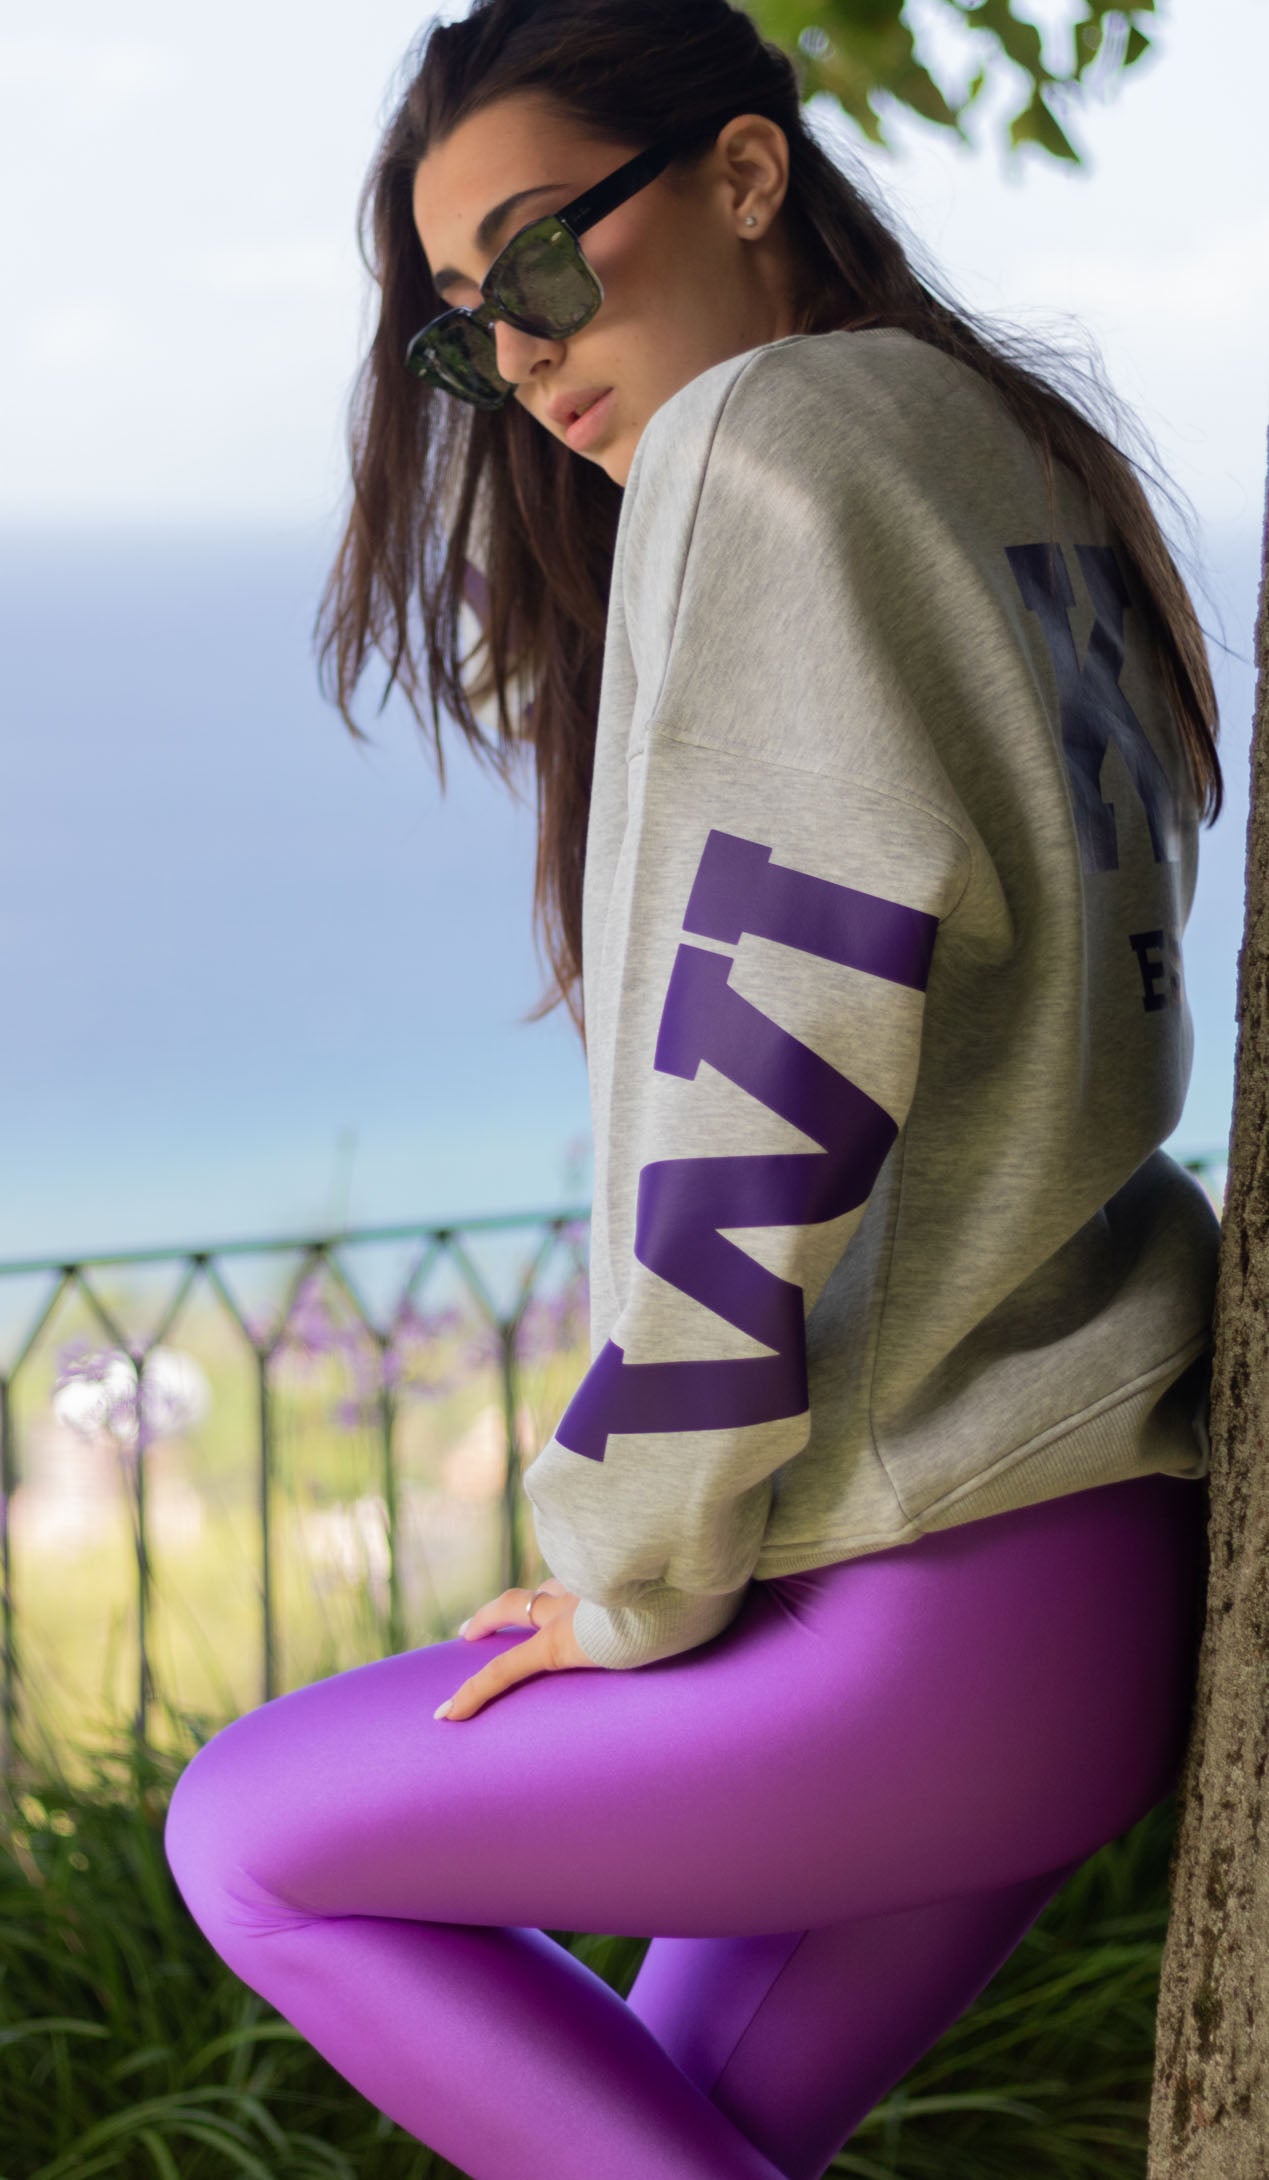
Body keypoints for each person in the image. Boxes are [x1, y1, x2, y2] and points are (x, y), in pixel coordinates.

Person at [163, 1, 1226, 2172]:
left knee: (249, 1840)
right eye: (465, 324)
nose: (521, 352)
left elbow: (766, 1063)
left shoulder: (765, 440)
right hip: (1102, 1542)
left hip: (926, 1590)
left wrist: (632, 1563)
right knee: (679, 2125)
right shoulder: (1009, 452)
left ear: (745, 175)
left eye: (543, 256)